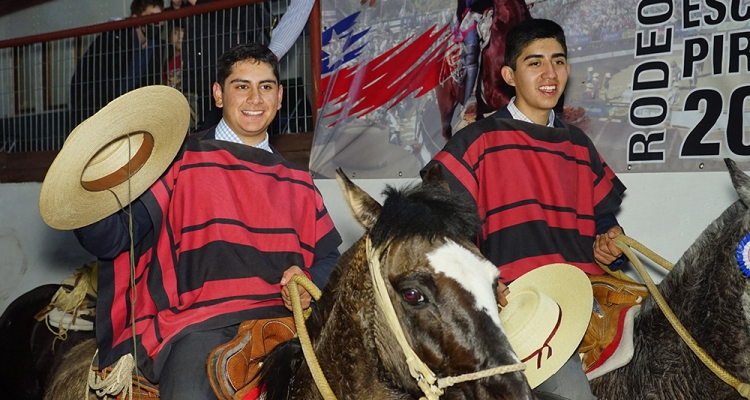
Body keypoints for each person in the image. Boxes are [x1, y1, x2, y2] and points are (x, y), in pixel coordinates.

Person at [74, 43, 342, 399]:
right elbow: (113, 239)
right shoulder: (179, 161)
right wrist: (85, 200)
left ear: (279, 97)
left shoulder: (298, 180)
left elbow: (331, 259)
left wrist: (308, 278)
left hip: (287, 324)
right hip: (198, 326)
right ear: (218, 94)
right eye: (241, 85)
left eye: (265, 87)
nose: (255, 98)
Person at [422, 19, 626, 400]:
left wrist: (610, 243)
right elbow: (437, 227)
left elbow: (604, 222)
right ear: (509, 75)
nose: (550, 74)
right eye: (535, 63)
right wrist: (481, 276)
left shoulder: (579, 144)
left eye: (559, 61)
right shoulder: (477, 141)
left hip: (589, 292)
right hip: (525, 306)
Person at [172, 0, 317, 132]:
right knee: (210, 128)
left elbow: (246, 17)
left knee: (235, 124)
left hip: (236, 63)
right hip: (207, 68)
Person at [69, 0, 165, 126]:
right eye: (152, 16)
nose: (158, 22)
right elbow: (102, 83)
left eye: (160, 17)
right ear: (136, 19)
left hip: (127, 113)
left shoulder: (156, 47)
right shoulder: (113, 40)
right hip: (98, 111)